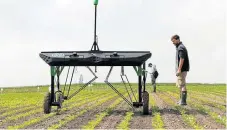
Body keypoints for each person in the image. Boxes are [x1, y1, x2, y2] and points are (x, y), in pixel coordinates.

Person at [171, 34, 190, 105]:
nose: (173, 43)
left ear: (177, 39)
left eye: (173, 41)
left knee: (182, 84)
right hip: (182, 69)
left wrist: (179, 69)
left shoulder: (180, 48)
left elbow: (182, 59)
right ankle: (181, 100)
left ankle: (183, 101)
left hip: (182, 69)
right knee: (180, 84)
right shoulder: (180, 47)